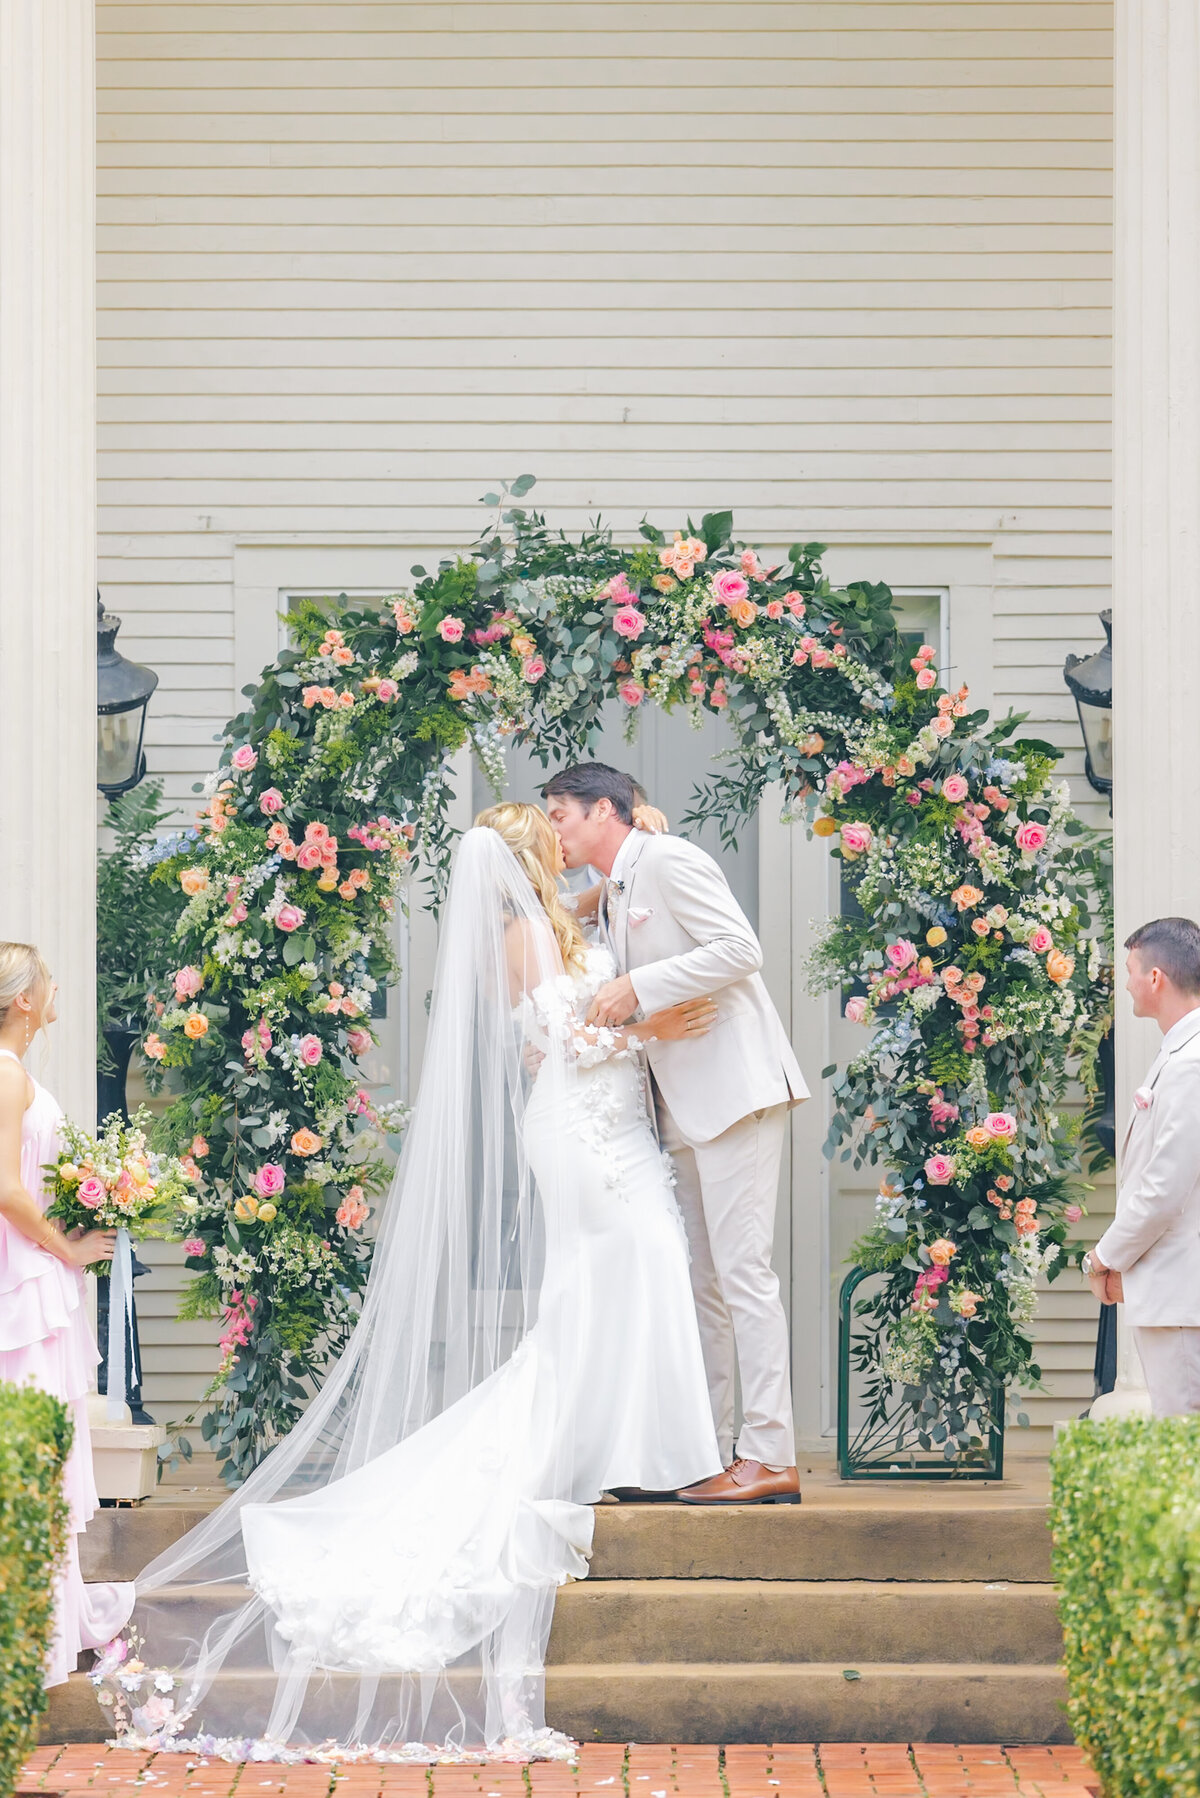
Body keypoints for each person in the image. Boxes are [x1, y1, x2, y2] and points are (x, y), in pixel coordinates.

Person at [96, 805, 722, 1762]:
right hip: (583, 1128)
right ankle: (598, 1450)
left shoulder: (563, 916)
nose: (565, 838)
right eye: (549, 832)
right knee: (610, 1280)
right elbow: (558, 1040)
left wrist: (644, 846)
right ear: (523, 859)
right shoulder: (520, 934)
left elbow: (607, 913)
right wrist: (649, 1024)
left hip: (614, 1128)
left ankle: (634, 1447)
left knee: (636, 1278)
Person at [542, 763, 808, 1504]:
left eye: (562, 815)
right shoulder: (619, 879)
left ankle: (769, 1454)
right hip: (677, 1107)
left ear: (604, 810)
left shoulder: (671, 859)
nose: (555, 831)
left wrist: (640, 989)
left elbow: (739, 949)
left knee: (745, 1275)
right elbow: (556, 915)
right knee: (707, 1287)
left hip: (733, 1094)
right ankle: (709, 1450)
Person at [0, 942, 135, 1686]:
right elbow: (6, 1190)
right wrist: (67, 1249)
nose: (54, 989)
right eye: (45, 980)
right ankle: (35, 1636)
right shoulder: (5, 1073)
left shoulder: (18, 1074)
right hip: (24, 1284)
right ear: (24, 999)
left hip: (33, 1280)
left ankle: (53, 1617)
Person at [1085, 916, 1200, 1416]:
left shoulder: (1191, 1063)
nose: (1126, 980)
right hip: (1174, 1289)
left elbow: (1163, 1187)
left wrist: (1105, 1257)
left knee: (1185, 1445)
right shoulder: (1178, 1053)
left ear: (1156, 978)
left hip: (1183, 1292)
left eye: (1131, 968)